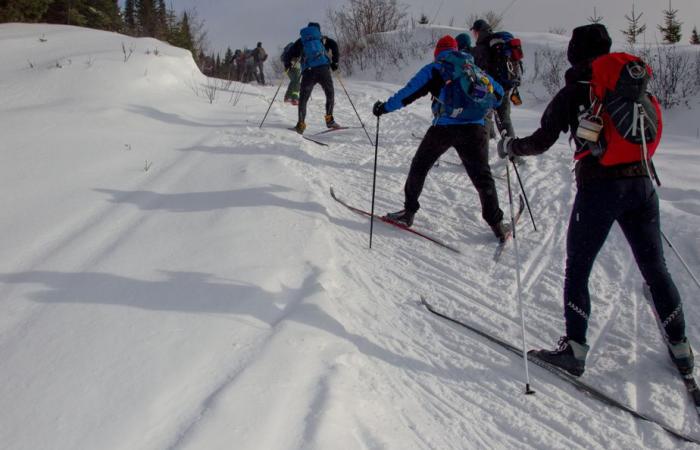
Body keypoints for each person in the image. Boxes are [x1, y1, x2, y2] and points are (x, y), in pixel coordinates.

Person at [497, 24, 694, 378]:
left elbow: (542, 140)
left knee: (579, 266)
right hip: (642, 184)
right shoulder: (631, 84)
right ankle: (681, 348)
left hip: (600, 188)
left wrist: (512, 147)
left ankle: (574, 349)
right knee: (655, 268)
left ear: (575, 52)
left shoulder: (575, 92)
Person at [372, 35, 510, 242]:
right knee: (482, 178)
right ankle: (497, 225)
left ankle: (408, 213)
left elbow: (408, 93)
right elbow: (498, 94)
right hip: (475, 129)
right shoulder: (473, 69)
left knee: (419, 167)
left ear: (438, 51)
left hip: (444, 128)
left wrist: (384, 107)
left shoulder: (435, 69)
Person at [282, 22, 340, 134]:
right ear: (318, 30)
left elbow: (289, 54)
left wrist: (287, 65)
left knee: (303, 99)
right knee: (330, 94)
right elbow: (334, 46)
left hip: (309, 73)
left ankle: (300, 125)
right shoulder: (322, 39)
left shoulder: (301, 41)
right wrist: (335, 63)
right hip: (323, 71)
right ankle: (330, 121)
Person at [471, 19, 516, 139]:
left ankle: (487, 141)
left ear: (479, 32)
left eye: (475, 33)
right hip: (504, 87)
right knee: (504, 118)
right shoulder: (497, 46)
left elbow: (478, 71)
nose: (474, 36)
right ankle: (511, 150)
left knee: (483, 114)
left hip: (489, 87)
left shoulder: (482, 48)